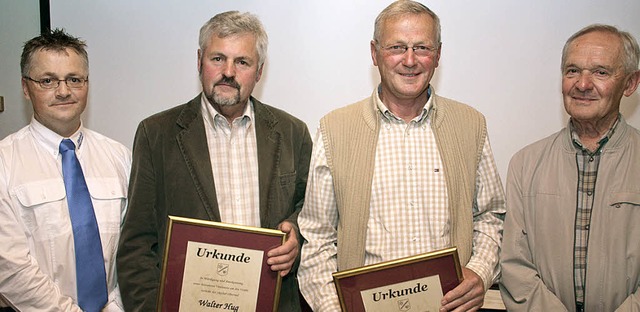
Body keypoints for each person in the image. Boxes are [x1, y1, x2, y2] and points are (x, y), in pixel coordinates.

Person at [297, 1, 506, 311]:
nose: (410, 60)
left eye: (422, 47)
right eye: (397, 47)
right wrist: (334, 308)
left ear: (438, 54)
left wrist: (480, 271)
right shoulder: (334, 130)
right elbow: (317, 238)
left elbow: (491, 216)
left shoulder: (471, 125)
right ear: (374, 52)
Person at [116, 11, 312, 311]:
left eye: (242, 62)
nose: (228, 72)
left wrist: (296, 235)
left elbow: (311, 214)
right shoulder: (157, 134)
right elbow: (137, 245)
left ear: (259, 72)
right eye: (217, 58)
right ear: (199, 61)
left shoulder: (291, 132)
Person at [500, 24, 640, 311]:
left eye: (601, 72)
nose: (583, 84)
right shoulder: (525, 164)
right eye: (572, 70)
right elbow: (514, 266)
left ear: (630, 83)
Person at [0, 29, 131, 311]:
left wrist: (116, 307)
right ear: (25, 87)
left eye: (74, 79)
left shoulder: (120, 157)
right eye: (47, 81)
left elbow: (136, 248)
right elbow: (10, 266)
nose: (63, 91)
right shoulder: (4, 163)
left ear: (87, 84)